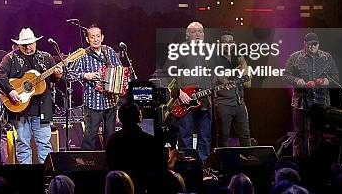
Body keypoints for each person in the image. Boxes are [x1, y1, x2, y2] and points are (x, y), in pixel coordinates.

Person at [0, 28, 63, 164]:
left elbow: (54, 79)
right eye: (24, 45)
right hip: (19, 108)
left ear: (36, 43)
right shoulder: (10, 58)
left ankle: (46, 177)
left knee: (44, 144)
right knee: (23, 144)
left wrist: (58, 75)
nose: (28, 47)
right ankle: (27, 177)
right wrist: (11, 90)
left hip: (41, 108)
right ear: (19, 45)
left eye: (30, 44)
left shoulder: (46, 58)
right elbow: (0, 74)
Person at [284, 32, 338, 157]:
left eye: (315, 44)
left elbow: (336, 76)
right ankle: (299, 163)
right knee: (300, 134)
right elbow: (285, 76)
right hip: (301, 102)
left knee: (317, 134)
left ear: (318, 44)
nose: (312, 47)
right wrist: (297, 80)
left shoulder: (326, 57)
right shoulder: (295, 57)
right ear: (304, 44)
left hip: (320, 102)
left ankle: (314, 164)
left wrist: (326, 81)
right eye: (309, 45)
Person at [70, 24, 122, 150]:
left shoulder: (109, 51)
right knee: (90, 137)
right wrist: (85, 75)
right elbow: (69, 74)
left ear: (102, 37)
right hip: (93, 102)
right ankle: (87, 165)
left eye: (98, 36)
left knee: (110, 136)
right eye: (92, 37)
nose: (95, 39)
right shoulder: (83, 54)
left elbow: (119, 69)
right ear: (88, 39)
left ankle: (110, 163)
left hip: (110, 100)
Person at [168, 22, 213, 163]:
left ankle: (204, 168)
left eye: (201, 32)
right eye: (194, 32)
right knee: (185, 137)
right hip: (185, 101)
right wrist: (179, 91)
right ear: (187, 35)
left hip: (204, 101)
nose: (198, 34)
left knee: (205, 138)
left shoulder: (209, 52)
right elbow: (168, 73)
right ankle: (186, 168)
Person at [105, 102, 167, 193]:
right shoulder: (150, 141)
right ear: (139, 117)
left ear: (120, 118)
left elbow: (110, 166)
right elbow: (159, 168)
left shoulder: (112, 140)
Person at [213, 30, 251, 147]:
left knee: (245, 135)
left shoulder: (238, 59)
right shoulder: (214, 59)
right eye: (224, 42)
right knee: (223, 137)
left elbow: (248, 83)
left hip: (239, 103)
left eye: (230, 42)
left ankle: (248, 162)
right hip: (223, 104)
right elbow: (214, 78)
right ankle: (222, 163)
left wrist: (243, 64)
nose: (227, 44)